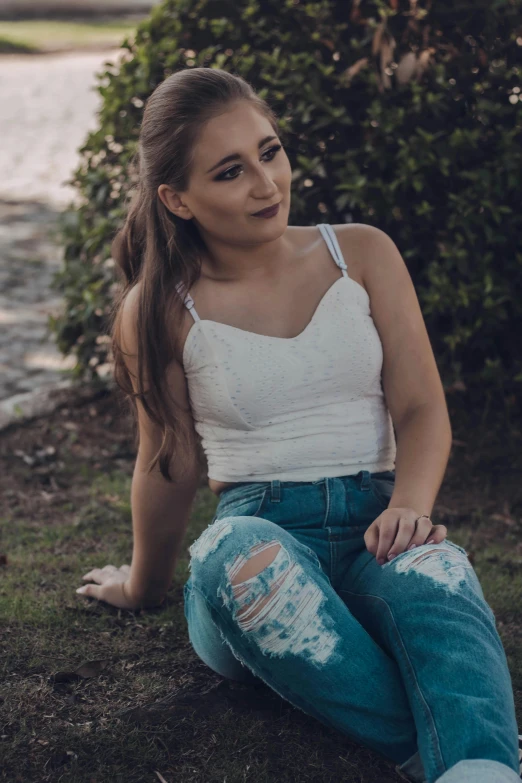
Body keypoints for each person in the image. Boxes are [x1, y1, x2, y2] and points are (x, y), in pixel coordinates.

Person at [75, 67, 521, 783]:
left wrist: (410, 505)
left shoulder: (362, 252)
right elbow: (168, 462)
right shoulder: (159, 308)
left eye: (270, 151)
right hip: (262, 540)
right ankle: (427, 738)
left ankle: (480, 771)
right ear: (176, 199)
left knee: (440, 575)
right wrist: (141, 585)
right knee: (231, 551)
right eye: (231, 171)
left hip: (380, 523)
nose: (266, 183)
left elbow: (420, 407)